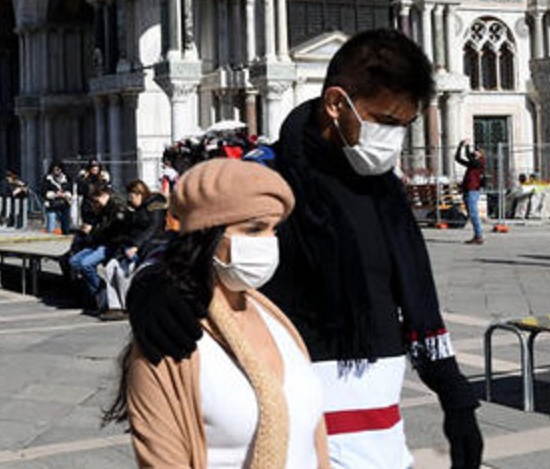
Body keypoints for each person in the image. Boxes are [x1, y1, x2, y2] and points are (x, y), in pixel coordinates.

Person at [128, 29, 483, 469]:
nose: (394, 139)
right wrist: (150, 286)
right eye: (385, 122)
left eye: (404, 126)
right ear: (336, 104)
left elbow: (413, 289)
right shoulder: (266, 172)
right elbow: (176, 235)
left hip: (381, 423)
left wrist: (453, 394)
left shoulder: (386, 190)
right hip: (294, 407)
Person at [108, 158, 329, 467]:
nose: (268, 243)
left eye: (274, 229)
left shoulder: (276, 319)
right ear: (207, 234)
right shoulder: (171, 336)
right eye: (253, 229)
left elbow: (313, 441)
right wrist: (150, 285)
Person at [99, 181, 167, 321]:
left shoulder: (156, 203)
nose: (129, 199)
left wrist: (136, 245)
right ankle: (115, 306)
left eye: (131, 196)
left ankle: (127, 306)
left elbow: (154, 228)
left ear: (139, 194)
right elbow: (126, 230)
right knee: (110, 267)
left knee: (124, 271)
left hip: (151, 246)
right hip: (129, 247)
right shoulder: (133, 209)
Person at [69, 185, 131, 312]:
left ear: (103, 195)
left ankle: (100, 291)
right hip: (98, 241)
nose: (95, 203)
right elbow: (98, 225)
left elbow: (109, 229)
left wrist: (93, 230)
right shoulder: (102, 207)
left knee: (86, 264)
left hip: (110, 244)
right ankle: (97, 288)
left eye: (96, 200)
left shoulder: (116, 206)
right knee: (74, 261)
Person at [455, 140, 485, 244]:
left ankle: (479, 235)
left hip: (473, 190)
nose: (475, 152)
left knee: (474, 214)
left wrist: (467, 146)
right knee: (471, 214)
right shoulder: (472, 164)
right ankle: (476, 235)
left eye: (477, 151)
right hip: (467, 190)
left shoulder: (479, 162)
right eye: (475, 150)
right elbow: (458, 159)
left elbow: (469, 156)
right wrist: (459, 147)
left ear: (481, 154)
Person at [41, 162, 73, 234]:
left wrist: (65, 194)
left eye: (58, 169)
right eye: (55, 169)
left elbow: (70, 191)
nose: (57, 171)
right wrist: (55, 194)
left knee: (65, 227)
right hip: (52, 205)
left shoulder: (66, 178)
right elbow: (43, 192)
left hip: (65, 204)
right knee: (51, 227)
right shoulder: (47, 178)